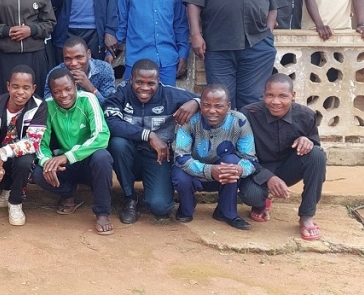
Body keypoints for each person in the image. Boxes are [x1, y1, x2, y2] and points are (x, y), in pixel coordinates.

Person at [104, 59, 199, 224]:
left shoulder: (170, 94)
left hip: (157, 157)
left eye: (151, 83)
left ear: (158, 81)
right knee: (117, 143)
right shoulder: (121, 93)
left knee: (160, 207)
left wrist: (195, 102)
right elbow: (111, 123)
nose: (145, 88)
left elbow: (208, 99)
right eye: (139, 82)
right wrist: (148, 135)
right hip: (129, 156)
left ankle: (159, 191)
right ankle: (130, 199)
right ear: (131, 79)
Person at [240, 74, 327, 241]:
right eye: (270, 95)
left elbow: (315, 146)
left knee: (317, 156)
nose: (276, 102)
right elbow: (240, 154)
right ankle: (260, 204)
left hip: (288, 168)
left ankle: (306, 216)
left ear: (293, 96)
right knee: (251, 195)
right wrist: (268, 177)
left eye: (283, 96)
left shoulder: (307, 115)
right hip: (258, 170)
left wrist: (307, 141)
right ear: (263, 94)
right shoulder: (249, 114)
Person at [32, 68, 115, 235]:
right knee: (38, 173)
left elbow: (102, 136)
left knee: (103, 157)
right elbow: (40, 143)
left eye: (68, 89)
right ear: (52, 93)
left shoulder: (88, 99)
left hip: (87, 161)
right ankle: (68, 194)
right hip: (65, 165)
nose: (63, 95)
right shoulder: (47, 106)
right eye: (57, 91)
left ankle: (102, 213)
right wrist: (46, 161)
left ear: (76, 86)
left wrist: (68, 156)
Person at [171, 84, 257, 230]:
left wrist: (239, 169)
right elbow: (181, 158)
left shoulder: (239, 121)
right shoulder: (189, 119)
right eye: (206, 105)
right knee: (179, 174)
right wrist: (210, 170)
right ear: (200, 104)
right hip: (194, 174)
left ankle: (226, 211)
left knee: (232, 162)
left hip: (223, 176)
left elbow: (251, 160)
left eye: (218, 106)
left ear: (228, 106)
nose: (211, 111)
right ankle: (186, 207)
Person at [0, 66, 47, 226]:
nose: (20, 92)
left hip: (19, 155)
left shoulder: (39, 106)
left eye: (26, 87)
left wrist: (3, 153)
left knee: (25, 162)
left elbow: (33, 142)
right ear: (8, 86)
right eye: (15, 86)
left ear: (33, 89)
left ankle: (15, 202)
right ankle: (9, 188)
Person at [44, 36, 117, 100]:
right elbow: (49, 105)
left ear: (88, 54)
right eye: (68, 59)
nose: (73, 63)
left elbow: (110, 107)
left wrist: (91, 88)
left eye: (79, 57)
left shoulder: (104, 69)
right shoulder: (55, 75)